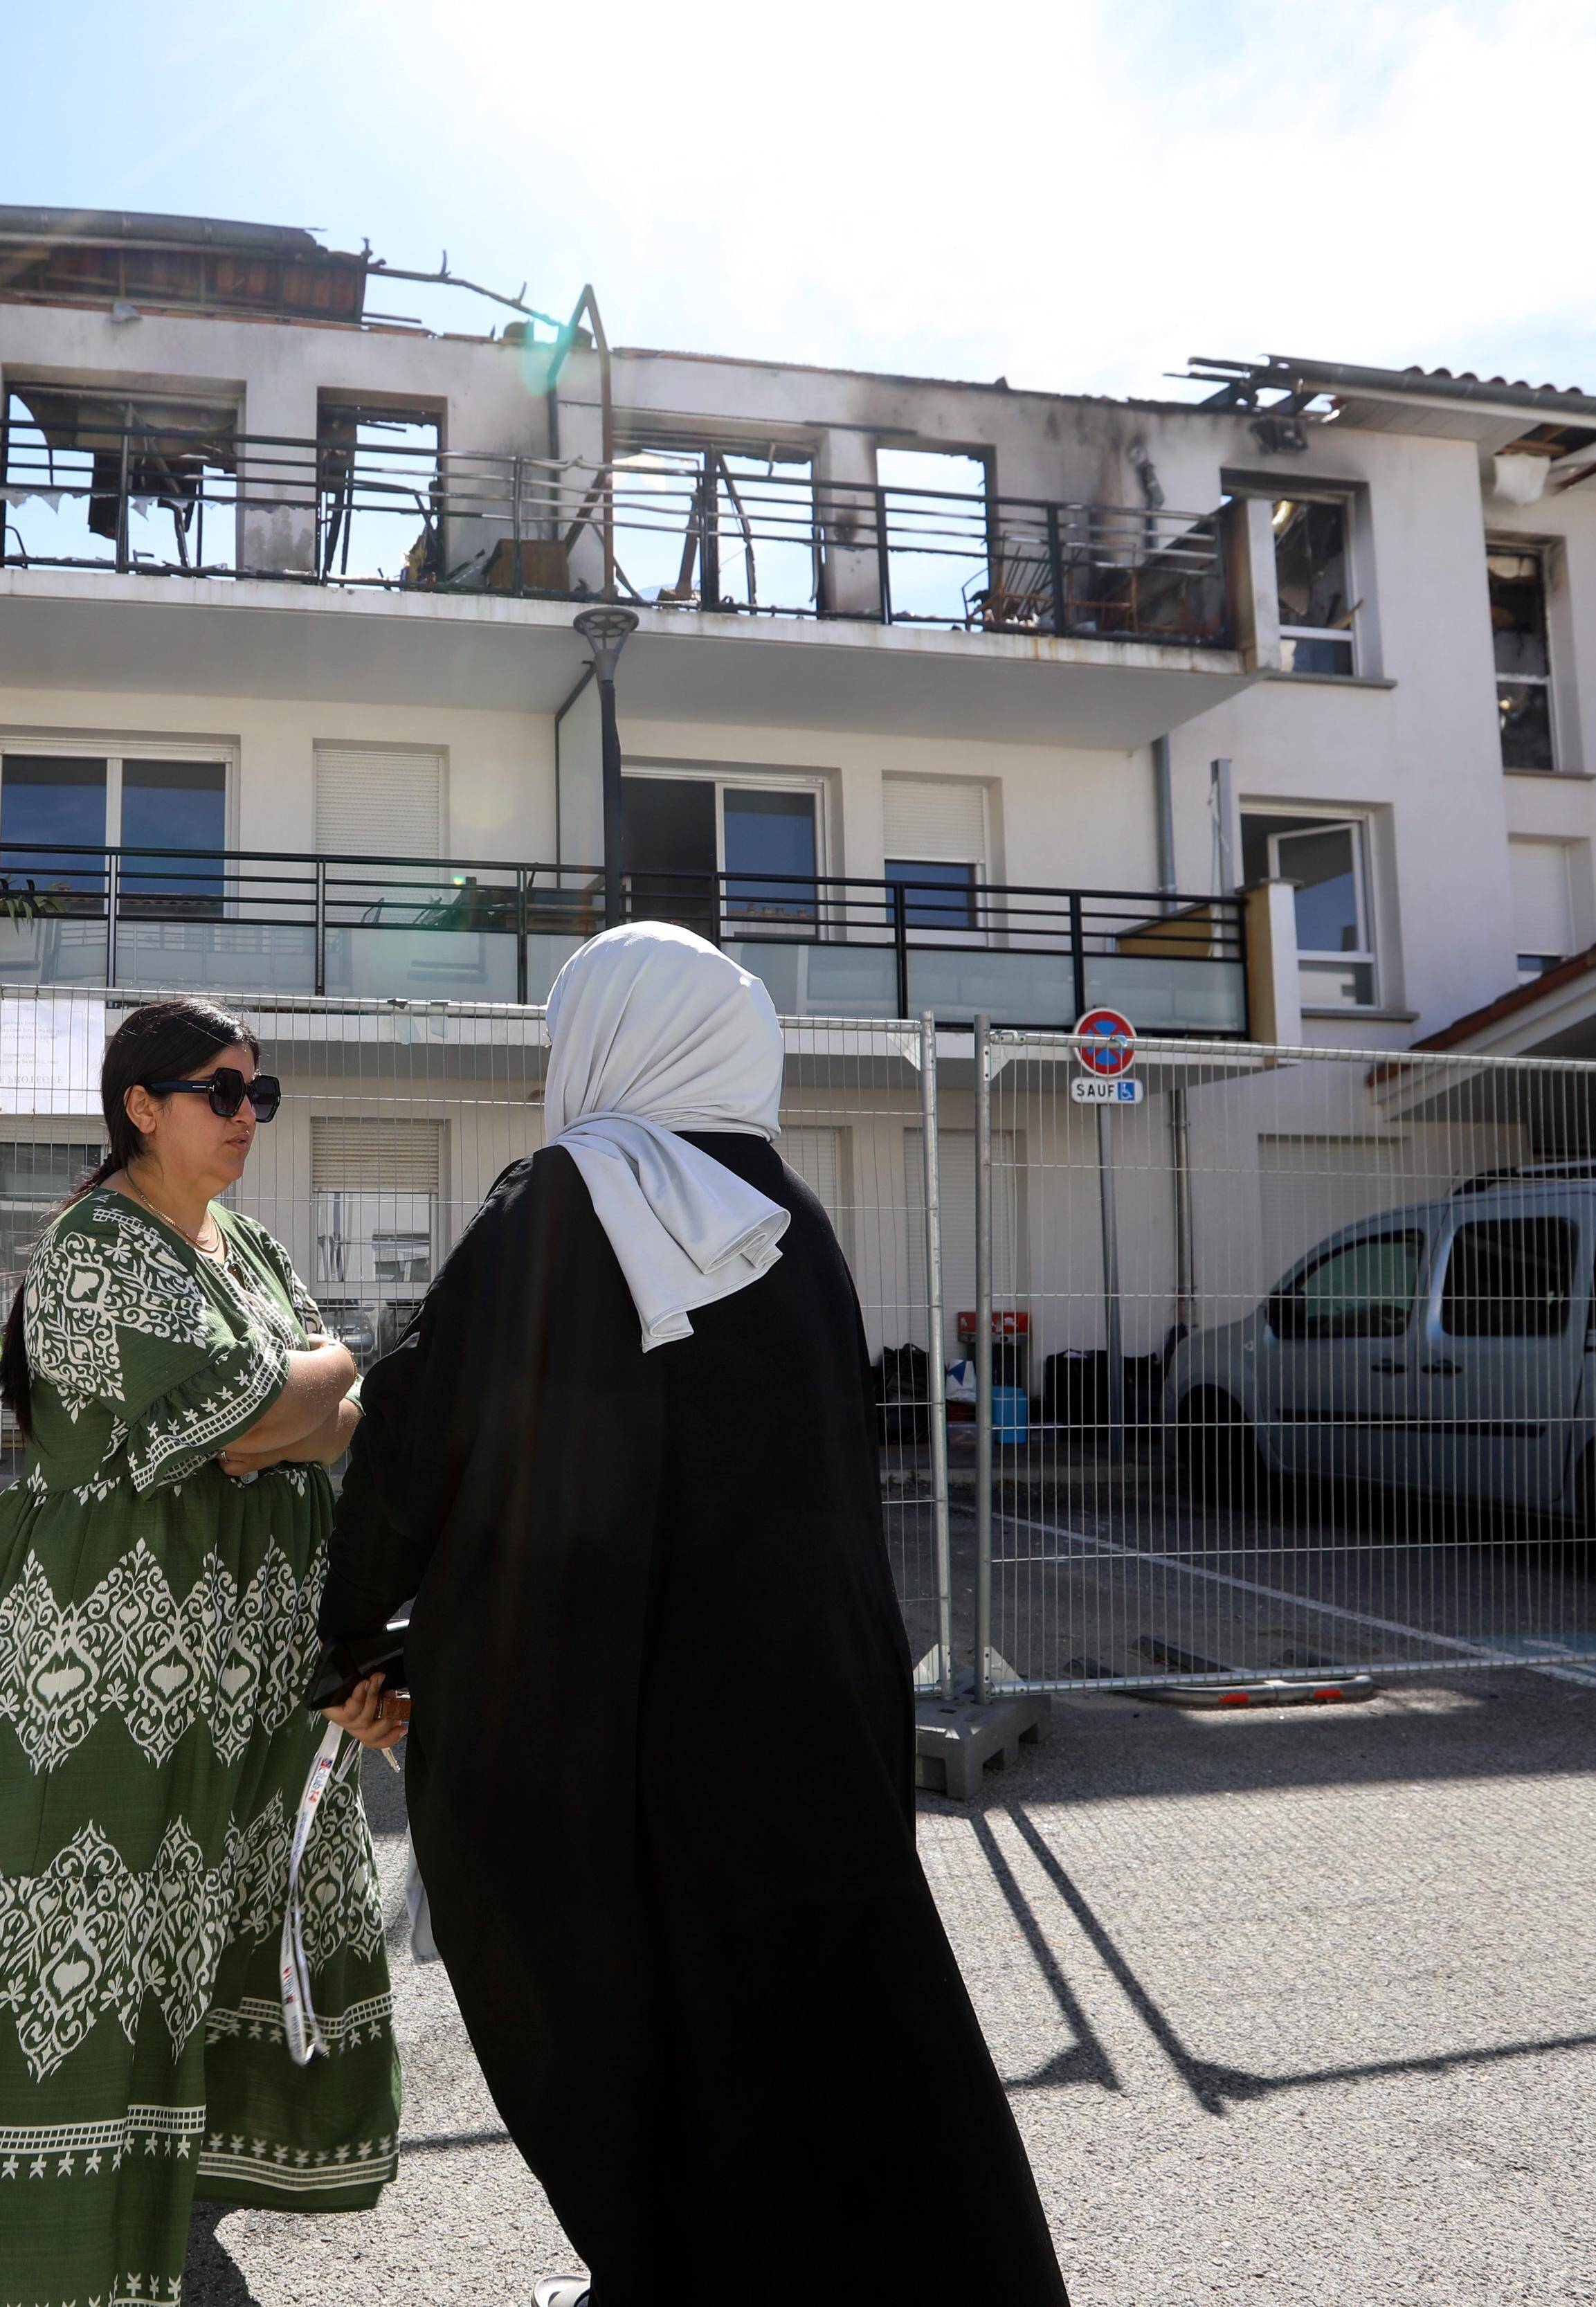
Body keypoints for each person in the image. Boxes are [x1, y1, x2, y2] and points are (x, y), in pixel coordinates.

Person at [318, 921, 1071, 2307]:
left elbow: (418, 1432)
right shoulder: (794, 1221)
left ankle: (670, 2271)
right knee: (819, 2006)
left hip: (610, 1722)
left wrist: (352, 1637)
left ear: (606, 1036)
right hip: (810, 1703)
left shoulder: (560, 1201)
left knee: (604, 2000)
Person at [0, 997, 400, 2307]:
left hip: (244, 1652)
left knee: (206, 1901)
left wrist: (307, 1392)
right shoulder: (90, 1250)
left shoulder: (242, 1241)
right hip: (105, 1653)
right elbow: (261, 1416)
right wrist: (322, 1373)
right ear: (141, 1105)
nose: (247, 1116)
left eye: (259, 1093)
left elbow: (327, 1415)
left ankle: (145, 2192)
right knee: (62, 1900)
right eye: (221, 1092)